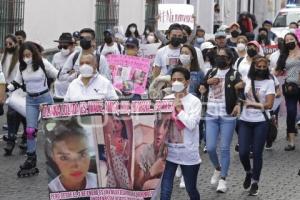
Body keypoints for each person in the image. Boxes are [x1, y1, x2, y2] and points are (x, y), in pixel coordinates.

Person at [7, 41, 59, 177]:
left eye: (28, 55)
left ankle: (57, 157)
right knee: (30, 130)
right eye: (24, 55)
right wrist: (7, 88)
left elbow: (55, 74)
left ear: (33, 54)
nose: (26, 58)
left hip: (45, 98)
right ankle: (31, 158)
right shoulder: (22, 67)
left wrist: (68, 75)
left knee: (51, 129)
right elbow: (17, 82)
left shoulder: (43, 63)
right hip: (30, 100)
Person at [200, 48, 242, 193]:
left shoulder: (234, 74)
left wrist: (238, 104)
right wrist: (206, 83)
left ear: (230, 59)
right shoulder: (211, 72)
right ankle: (217, 168)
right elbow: (202, 87)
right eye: (219, 56)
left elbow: (241, 90)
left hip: (227, 116)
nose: (220, 58)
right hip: (211, 115)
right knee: (210, 147)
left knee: (224, 148)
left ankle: (223, 179)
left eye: (223, 57)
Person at [160, 67, 202, 200]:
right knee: (165, 189)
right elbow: (161, 124)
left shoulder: (195, 102)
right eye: (173, 80)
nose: (176, 82)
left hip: (188, 153)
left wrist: (179, 108)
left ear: (187, 82)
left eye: (180, 79)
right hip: (169, 153)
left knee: (191, 189)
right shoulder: (166, 99)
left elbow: (191, 124)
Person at [238, 56, 275, 196]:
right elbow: (240, 94)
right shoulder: (248, 80)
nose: (260, 69)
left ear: (267, 68)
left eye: (263, 67)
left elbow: (269, 105)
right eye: (258, 66)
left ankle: (255, 182)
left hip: (261, 121)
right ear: (253, 66)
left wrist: (253, 104)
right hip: (245, 120)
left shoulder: (269, 82)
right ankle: (248, 171)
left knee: (257, 153)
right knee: (242, 153)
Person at [47, 118, 97, 192]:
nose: (75, 165)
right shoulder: (51, 189)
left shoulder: (99, 181)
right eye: (64, 157)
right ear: (53, 158)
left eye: (82, 154)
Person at [1, 34, 27, 155]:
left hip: (22, 91)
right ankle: (11, 140)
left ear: (16, 44)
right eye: (6, 44)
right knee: (11, 115)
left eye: (10, 44)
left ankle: (26, 138)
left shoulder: (22, 57)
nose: (8, 46)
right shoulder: (3, 56)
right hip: (10, 90)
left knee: (24, 116)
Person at [275, 33, 300, 151]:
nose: (289, 41)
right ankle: (291, 142)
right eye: (287, 40)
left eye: (291, 39)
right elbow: (277, 72)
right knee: (291, 112)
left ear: (296, 40)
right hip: (290, 87)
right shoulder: (284, 55)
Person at [134, 113, 170, 190]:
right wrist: (153, 170)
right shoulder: (146, 151)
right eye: (158, 123)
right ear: (154, 125)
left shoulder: (171, 152)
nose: (160, 131)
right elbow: (139, 185)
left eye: (166, 125)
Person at [105, 117, 132, 189]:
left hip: (122, 171)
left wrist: (123, 152)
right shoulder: (109, 138)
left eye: (117, 122)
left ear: (122, 125)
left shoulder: (126, 141)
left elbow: (127, 159)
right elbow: (108, 157)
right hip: (112, 172)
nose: (115, 124)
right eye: (114, 122)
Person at [52, 33, 76, 102]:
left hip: (72, 97)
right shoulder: (56, 56)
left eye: (65, 47)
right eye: (60, 47)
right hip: (57, 96)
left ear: (72, 45)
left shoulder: (77, 56)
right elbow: (53, 73)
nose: (62, 49)